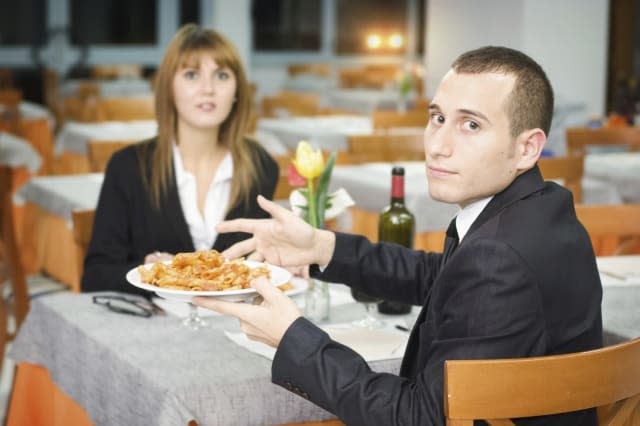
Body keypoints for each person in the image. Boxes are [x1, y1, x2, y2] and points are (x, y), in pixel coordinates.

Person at [194, 46, 603, 425]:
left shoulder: (498, 255)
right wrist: (321, 246)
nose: (438, 146)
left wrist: (291, 336)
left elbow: (419, 418)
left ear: (527, 148)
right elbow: (441, 277)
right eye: (438, 118)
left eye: (471, 125)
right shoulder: (542, 210)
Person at [82, 24, 278, 295]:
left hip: (238, 329)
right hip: (151, 327)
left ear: (237, 92)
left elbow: (263, 264)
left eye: (221, 75)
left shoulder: (261, 166)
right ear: (168, 88)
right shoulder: (128, 167)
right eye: (191, 75)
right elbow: (95, 277)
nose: (208, 89)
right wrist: (145, 270)